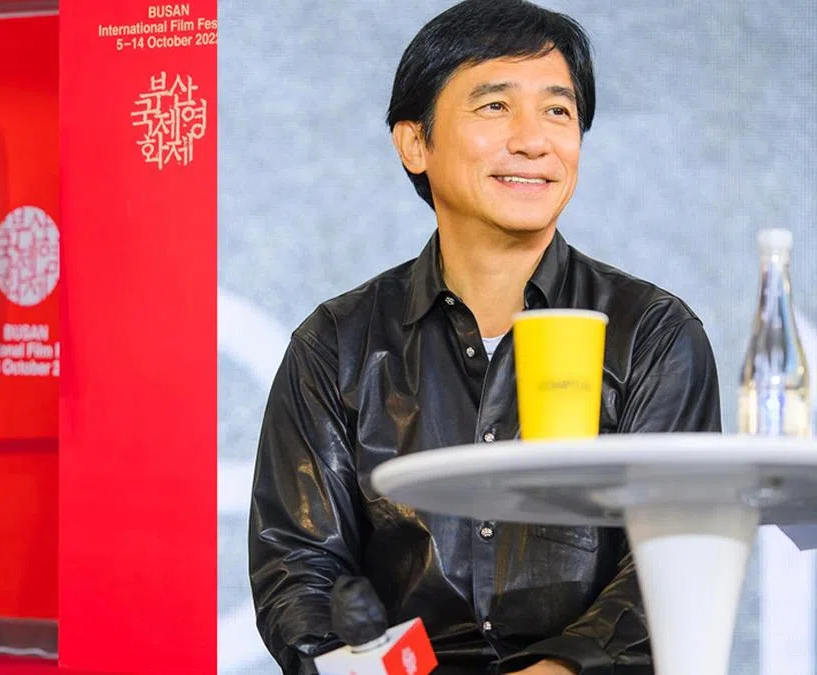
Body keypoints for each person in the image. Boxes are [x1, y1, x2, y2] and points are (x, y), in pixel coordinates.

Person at [247, 1, 720, 674]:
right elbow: (297, 568)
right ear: (415, 142)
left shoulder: (654, 335)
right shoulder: (337, 345)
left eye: (557, 111)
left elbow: (673, 555)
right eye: (495, 106)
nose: (533, 140)